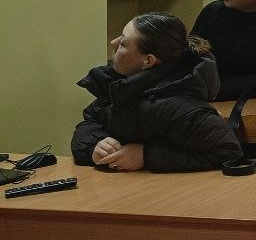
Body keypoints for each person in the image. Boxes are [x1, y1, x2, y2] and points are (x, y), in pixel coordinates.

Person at [72, 12, 241, 172]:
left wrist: (145, 156)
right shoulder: (118, 85)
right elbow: (90, 121)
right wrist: (95, 146)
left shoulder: (176, 105)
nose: (113, 43)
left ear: (147, 61)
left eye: (123, 43)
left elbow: (228, 151)